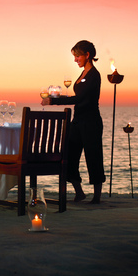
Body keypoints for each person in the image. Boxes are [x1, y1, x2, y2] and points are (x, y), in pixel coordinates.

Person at [41, 40, 105, 204]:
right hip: (77, 121)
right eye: (74, 56)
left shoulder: (94, 75)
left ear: (87, 55)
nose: (75, 59)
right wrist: (55, 97)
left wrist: (54, 102)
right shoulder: (83, 73)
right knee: (69, 156)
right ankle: (79, 192)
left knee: (93, 157)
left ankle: (97, 197)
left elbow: (81, 98)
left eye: (77, 56)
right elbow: (76, 98)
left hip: (91, 122)